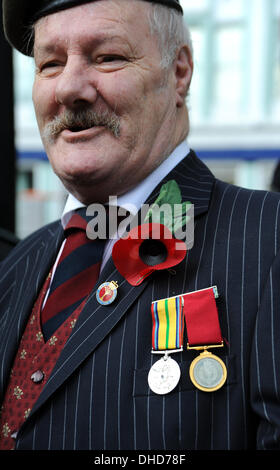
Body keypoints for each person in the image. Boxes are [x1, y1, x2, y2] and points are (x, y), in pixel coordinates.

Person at [0, 0, 280, 452]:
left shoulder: (269, 242)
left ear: (180, 72)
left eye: (107, 57)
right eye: (49, 64)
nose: (69, 87)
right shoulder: (16, 268)